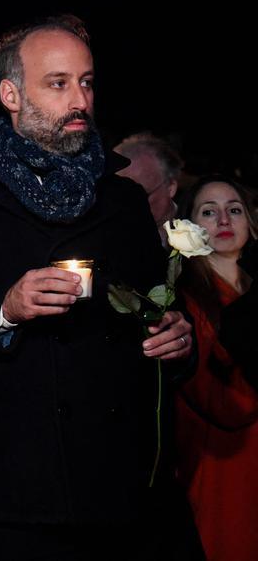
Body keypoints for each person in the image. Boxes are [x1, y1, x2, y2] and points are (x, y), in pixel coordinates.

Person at [0, 15, 194, 560]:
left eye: (86, 82)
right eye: (59, 83)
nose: (80, 99)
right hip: (5, 493)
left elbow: (162, 311)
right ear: (11, 94)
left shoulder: (124, 200)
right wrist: (5, 308)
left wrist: (179, 341)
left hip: (118, 491)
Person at [174, 175, 258, 561]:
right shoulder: (185, 304)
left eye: (234, 210)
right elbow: (222, 399)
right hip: (220, 463)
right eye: (209, 212)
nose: (224, 220)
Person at [115, 132, 183, 245]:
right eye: (119, 196)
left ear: (171, 187)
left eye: (140, 195)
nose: (128, 205)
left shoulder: (201, 231)